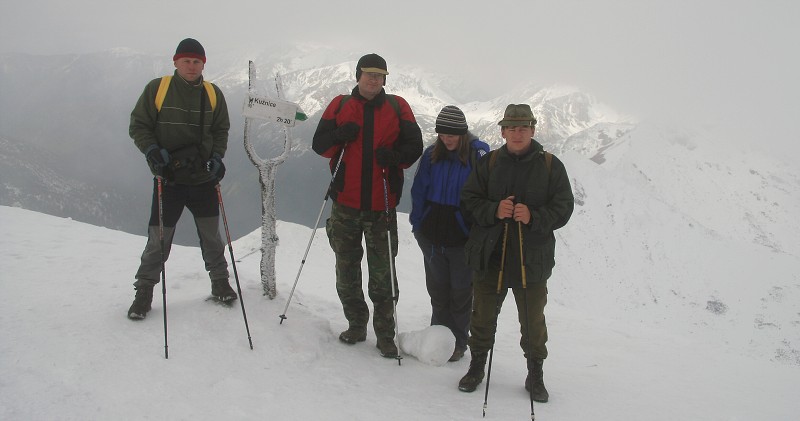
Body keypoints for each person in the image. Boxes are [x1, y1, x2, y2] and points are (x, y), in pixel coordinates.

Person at [457, 104, 574, 403]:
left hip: (530, 260)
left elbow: (563, 207)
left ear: (533, 130)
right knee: (482, 317)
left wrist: (534, 216)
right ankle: (477, 367)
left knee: (533, 323)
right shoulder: (490, 163)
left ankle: (535, 375)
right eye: (512, 127)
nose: (517, 133)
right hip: (491, 257)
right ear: (503, 131)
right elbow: (469, 200)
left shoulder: (550, 165)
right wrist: (494, 209)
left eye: (523, 128)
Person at [312, 53, 423, 358]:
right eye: (368, 74)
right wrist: (340, 134)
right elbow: (320, 146)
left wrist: (395, 157)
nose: (373, 80)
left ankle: (385, 335)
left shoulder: (398, 107)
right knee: (346, 270)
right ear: (358, 75)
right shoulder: (340, 105)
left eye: (379, 75)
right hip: (345, 204)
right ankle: (357, 325)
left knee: (383, 275)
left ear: (385, 79)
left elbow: (415, 147)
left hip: (381, 204)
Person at [127, 38, 235, 320]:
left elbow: (221, 129)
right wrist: (151, 150)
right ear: (175, 61)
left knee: (212, 236)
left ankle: (220, 282)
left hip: (203, 178)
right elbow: (139, 124)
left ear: (203, 64)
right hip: (170, 179)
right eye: (186, 61)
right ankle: (144, 291)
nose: (191, 66)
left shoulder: (213, 94)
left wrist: (218, 157)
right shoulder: (158, 89)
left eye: (196, 61)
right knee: (159, 239)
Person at [409, 105, 489, 362]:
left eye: (452, 134)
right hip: (432, 236)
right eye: (442, 134)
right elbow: (419, 190)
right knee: (438, 291)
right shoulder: (432, 154)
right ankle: (437, 341)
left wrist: (477, 232)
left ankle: (457, 343)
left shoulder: (478, 155)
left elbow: (487, 193)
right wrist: (418, 224)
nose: (447, 138)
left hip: (462, 239)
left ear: (462, 133)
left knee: (461, 293)